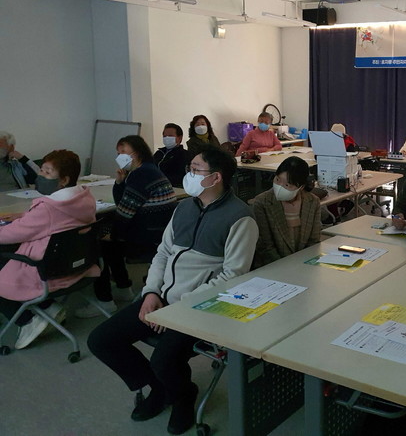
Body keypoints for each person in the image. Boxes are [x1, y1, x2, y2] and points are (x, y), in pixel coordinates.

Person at [88, 145, 258, 435]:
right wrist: (151, 293)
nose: (188, 174)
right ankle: (160, 388)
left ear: (216, 177)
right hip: (163, 298)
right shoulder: (184, 208)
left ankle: (183, 396)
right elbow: (163, 253)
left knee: (164, 360)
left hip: (199, 308)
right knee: (101, 340)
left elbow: (233, 276)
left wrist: (179, 309)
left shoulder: (240, 217)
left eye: (196, 170)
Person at [0, 150, 98, 349]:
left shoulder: (48, 209)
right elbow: (55, 221)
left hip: (47, 271)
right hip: (76, 265)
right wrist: (25, 215)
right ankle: (47, 307)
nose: (40, 175)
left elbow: (11, 234)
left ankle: (27, 321)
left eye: (47, 172)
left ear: (64, 180)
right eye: (41, 170)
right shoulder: (84, 199)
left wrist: (26, 219)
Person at [76, 135, 177, 318]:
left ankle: (105, 300)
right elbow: (123, 203)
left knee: (99, 243)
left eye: (123, 151)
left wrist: (113, 235)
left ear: (137, 152)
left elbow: (124, 213)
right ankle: (123, 288)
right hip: (159, 234)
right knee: (110, 238)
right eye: (118, 152)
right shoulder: (148, 170)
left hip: (149, 238)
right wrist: (120, 182)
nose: (119, 156)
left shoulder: (141, 175)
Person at [252, 156, 321, 267]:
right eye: (277, 180)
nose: (280, 187)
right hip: (273, 267)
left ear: (301, 187)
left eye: (287, 185)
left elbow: (313, 241)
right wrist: (287, 268)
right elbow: (265, 247)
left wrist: (304, 266)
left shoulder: (313, 202)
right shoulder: (262, 203)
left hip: (303, 266)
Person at [153, 123, 188, 188]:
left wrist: (159, 179)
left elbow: (179, 177)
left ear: (180, 138)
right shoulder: (159, 153)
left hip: (173, 188)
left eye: (170, 136)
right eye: (164, 136)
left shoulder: (184, 155)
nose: (167, 138)